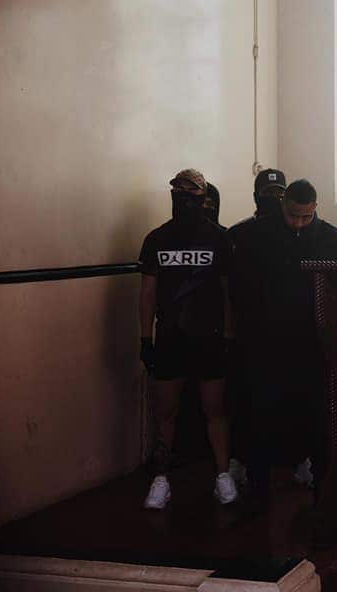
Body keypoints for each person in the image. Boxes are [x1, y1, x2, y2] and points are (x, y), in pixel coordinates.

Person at [233, 179, 337, 503]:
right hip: (266, 341)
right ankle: (258, 489)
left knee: (316, 417)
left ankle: (322, 487)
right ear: (284, 207)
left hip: (313, 342)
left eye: (306, 217)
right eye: (293, 216)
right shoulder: (257, 235)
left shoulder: (331, 238)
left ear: (316, 209)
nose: (298, 223)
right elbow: (242, 289)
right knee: (262, 415)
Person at [137, 169, 237, 509]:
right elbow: (147, 294)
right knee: (165, 412)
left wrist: (227, 333)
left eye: (191, 198)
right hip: (169, 338)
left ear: (202, 199)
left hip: (208, 338)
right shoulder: (156, 239)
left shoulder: (220, 239)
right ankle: (161, 479)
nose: (185, 203)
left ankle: (223, 476)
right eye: (179, 197)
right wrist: (144, 338)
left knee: (215, 410)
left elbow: (227, 293)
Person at [225, 168, 287, 486]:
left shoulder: (296, 234)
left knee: (289, 397)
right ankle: (241, 458)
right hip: (249, 330)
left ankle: (294, 456)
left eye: (279, 195)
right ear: (255, 197)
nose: (273, 200)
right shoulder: (236, 235)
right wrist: (229, 327)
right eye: (267, 195)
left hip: (287, 332)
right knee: (245, 397)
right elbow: (226, 288)